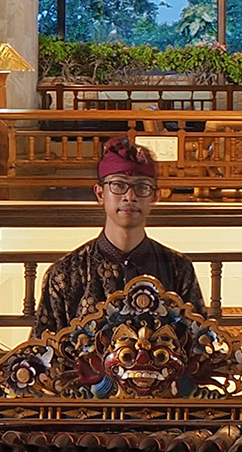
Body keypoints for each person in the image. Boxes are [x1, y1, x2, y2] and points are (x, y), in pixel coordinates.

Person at [32, 138, 206, 335]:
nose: (129, 197)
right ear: (100, 194)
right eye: (118, 185)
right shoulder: (65, 273)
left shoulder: (178, 268)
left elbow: (199, 348)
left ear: (155, 196)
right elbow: (43, 353)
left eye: (142, 187)